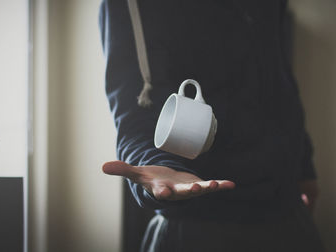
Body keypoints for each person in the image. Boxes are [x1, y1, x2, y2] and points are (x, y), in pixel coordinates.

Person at [99, 0, 324, 251]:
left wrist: (304, 166)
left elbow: (280, 75)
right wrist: (158, 167)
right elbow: (134, 116)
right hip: (199, 224)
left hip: (289, 211)